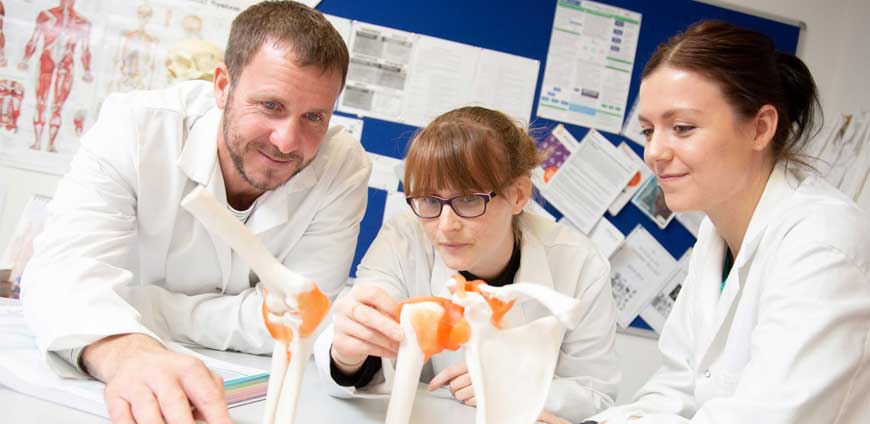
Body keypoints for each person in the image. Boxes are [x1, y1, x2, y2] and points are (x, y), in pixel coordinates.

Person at [20, 2, 370, 423]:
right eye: (271, 106)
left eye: (314, 116)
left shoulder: (342, 168)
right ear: (222, 85)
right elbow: (62, 273)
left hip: (253, 389)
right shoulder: (136, 128)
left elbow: (301, 319)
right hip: (110, 373)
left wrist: (142, 305)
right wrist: (127, 349)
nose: (287, 141)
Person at [584, 21, 870, 424]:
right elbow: (677, 387)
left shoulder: (822, 241)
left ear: (760, 127)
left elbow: (768, 416)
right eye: (649, 130)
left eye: (681, 128)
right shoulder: (714, 233)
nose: (654, 152)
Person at [313, 106, 621, 423]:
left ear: (517, 195)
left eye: (469, 199)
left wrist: (519, 385)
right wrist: (347, 355)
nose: (446, 225)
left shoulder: (578, 263)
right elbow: (360, 337)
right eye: (431, 201)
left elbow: (595, 397)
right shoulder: (404, 238)